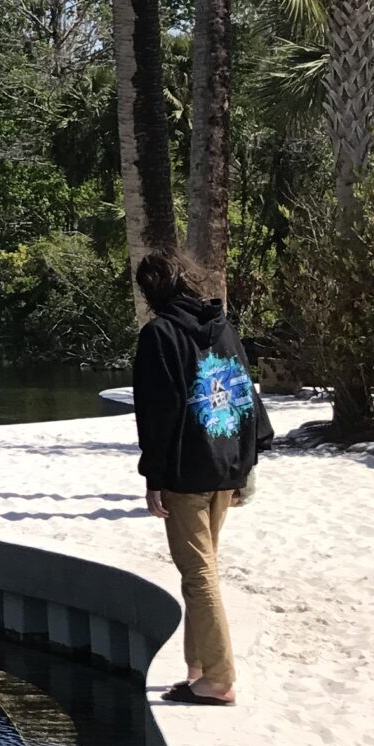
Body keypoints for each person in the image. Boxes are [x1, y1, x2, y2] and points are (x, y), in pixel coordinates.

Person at [131, 249, 272, 706]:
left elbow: (158, 414)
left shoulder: (159, 335)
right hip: (225, 462)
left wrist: (153, 477)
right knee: (203, 568)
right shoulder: (221, 326)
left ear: (151, 291)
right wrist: (248, 460)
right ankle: (197, 668)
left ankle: (219, 678)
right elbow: (244, 394)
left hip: (187, 471)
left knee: (198, 573)